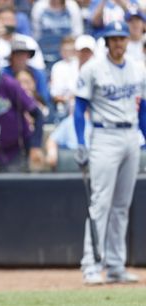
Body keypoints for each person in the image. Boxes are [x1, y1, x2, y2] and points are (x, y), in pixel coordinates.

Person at [74, 21, 146, 285]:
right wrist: (81, 142)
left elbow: (144, 109)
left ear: (128, 40)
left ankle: (116, 265)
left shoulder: (138, 69)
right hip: (104, 135)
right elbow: (80, 108)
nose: (118, 43)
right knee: (100, 203)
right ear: (106, 41)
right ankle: (91, 265)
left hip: (131, 135)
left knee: (122, 206)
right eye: (113, 38)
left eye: (122, 38)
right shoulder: (93, 68)